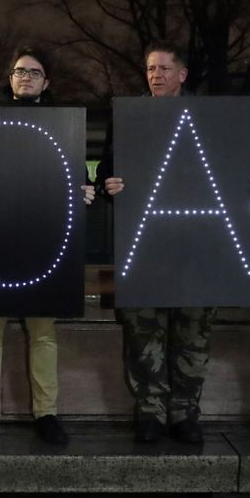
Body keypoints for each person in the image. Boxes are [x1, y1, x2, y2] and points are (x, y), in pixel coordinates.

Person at [0, 47, 96, 447]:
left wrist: (84, 191)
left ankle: (45, 413)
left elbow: (79, 179)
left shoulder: (63, 125)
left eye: (34, 72)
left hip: (42, 240)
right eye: (19, 71)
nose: (26, 77)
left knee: (41, 333)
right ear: (10, 79)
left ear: (46, 82)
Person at [97, 41, 217, 445]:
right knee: (143, 330)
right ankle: (150, 411)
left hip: (196, 243)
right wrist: (108, 184)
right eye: (150, 68)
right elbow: (106, 173)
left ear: (182, 74)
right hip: (144, 242)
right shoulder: (128, 116)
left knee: (192, 330)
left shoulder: (208, 118)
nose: (156, 76)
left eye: (164, 68)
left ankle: (185, 412)